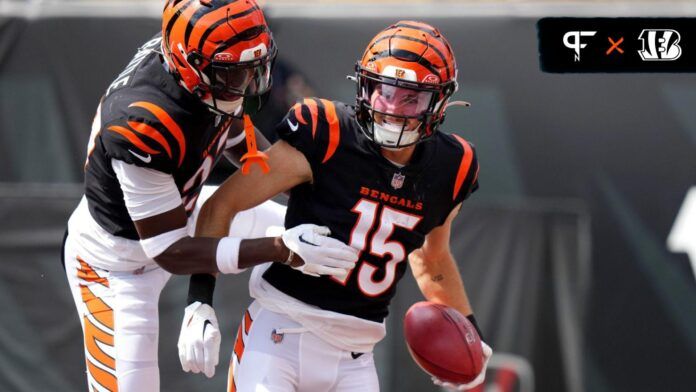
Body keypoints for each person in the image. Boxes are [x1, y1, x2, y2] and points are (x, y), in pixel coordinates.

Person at [181, 20, 492, 391]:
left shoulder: (451, 167)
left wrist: (470, 331)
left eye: (412, 97)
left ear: (439, 102)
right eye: (383, 90)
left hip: (355, 360)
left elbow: (432, 257)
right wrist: (198, 301)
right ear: (364, 86)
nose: (392, 107)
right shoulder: (326, 133)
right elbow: (222, 205)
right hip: (277, 336)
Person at [62, 1, 357, 390]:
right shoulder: (143, 121)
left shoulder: (203, 68)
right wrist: (279, 249)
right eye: (233, 73)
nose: (247, 82)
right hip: (117, 263)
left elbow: (231, 134)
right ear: (190, 66)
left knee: (336, 240)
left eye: (252, 68)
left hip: (181, 212)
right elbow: (169, 251)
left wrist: (305, 186)